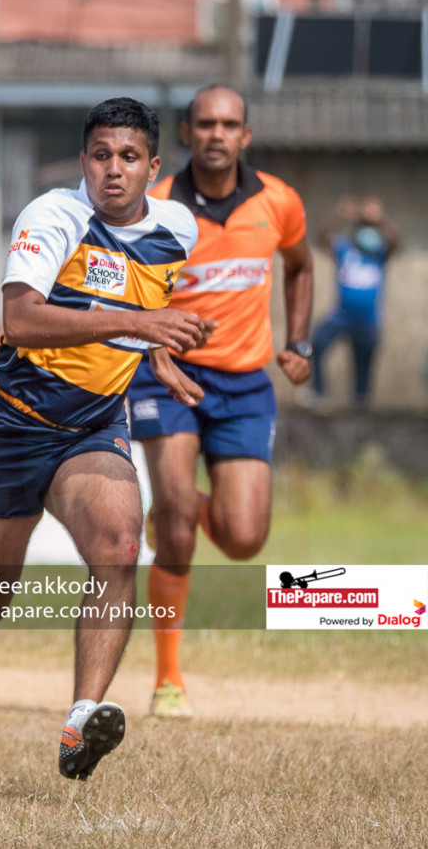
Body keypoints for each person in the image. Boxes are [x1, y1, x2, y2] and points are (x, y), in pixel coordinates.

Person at [0, 98, 208, 782]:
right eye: (102, 155)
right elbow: (20, 321)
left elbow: (140, 307)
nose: (114, 169)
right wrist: (143, 327)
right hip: (5, 426)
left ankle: (82, 720)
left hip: (92, 425)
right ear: (84, 163)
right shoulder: (53, 217)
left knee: (116, 546)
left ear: (154, 168)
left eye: (129, 156)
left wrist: (155, 348)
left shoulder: (179, 229)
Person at [127, 85, 313, 719]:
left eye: (229, 124)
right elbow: (118, 279)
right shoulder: (153, 204)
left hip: (244, 383)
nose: (216, 133)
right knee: (177, 525)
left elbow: (301, 266)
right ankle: (169, 680)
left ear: (246, 136)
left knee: (242, 538)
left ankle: (182, 508)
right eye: (205, 123)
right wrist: (146, 338)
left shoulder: (278, 202)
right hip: (165, 373)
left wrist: (300, 342)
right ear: (187, 132)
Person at [311, 194, 399, 407]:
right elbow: (322, 236)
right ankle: (318, 393)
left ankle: (361, 408)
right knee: (317, 344)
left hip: (368, 322)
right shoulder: (345, 250)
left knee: (363, 369)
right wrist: (340, 216)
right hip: (340, 316)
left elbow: (396, 240)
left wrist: (379, 219)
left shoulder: (379, 254)